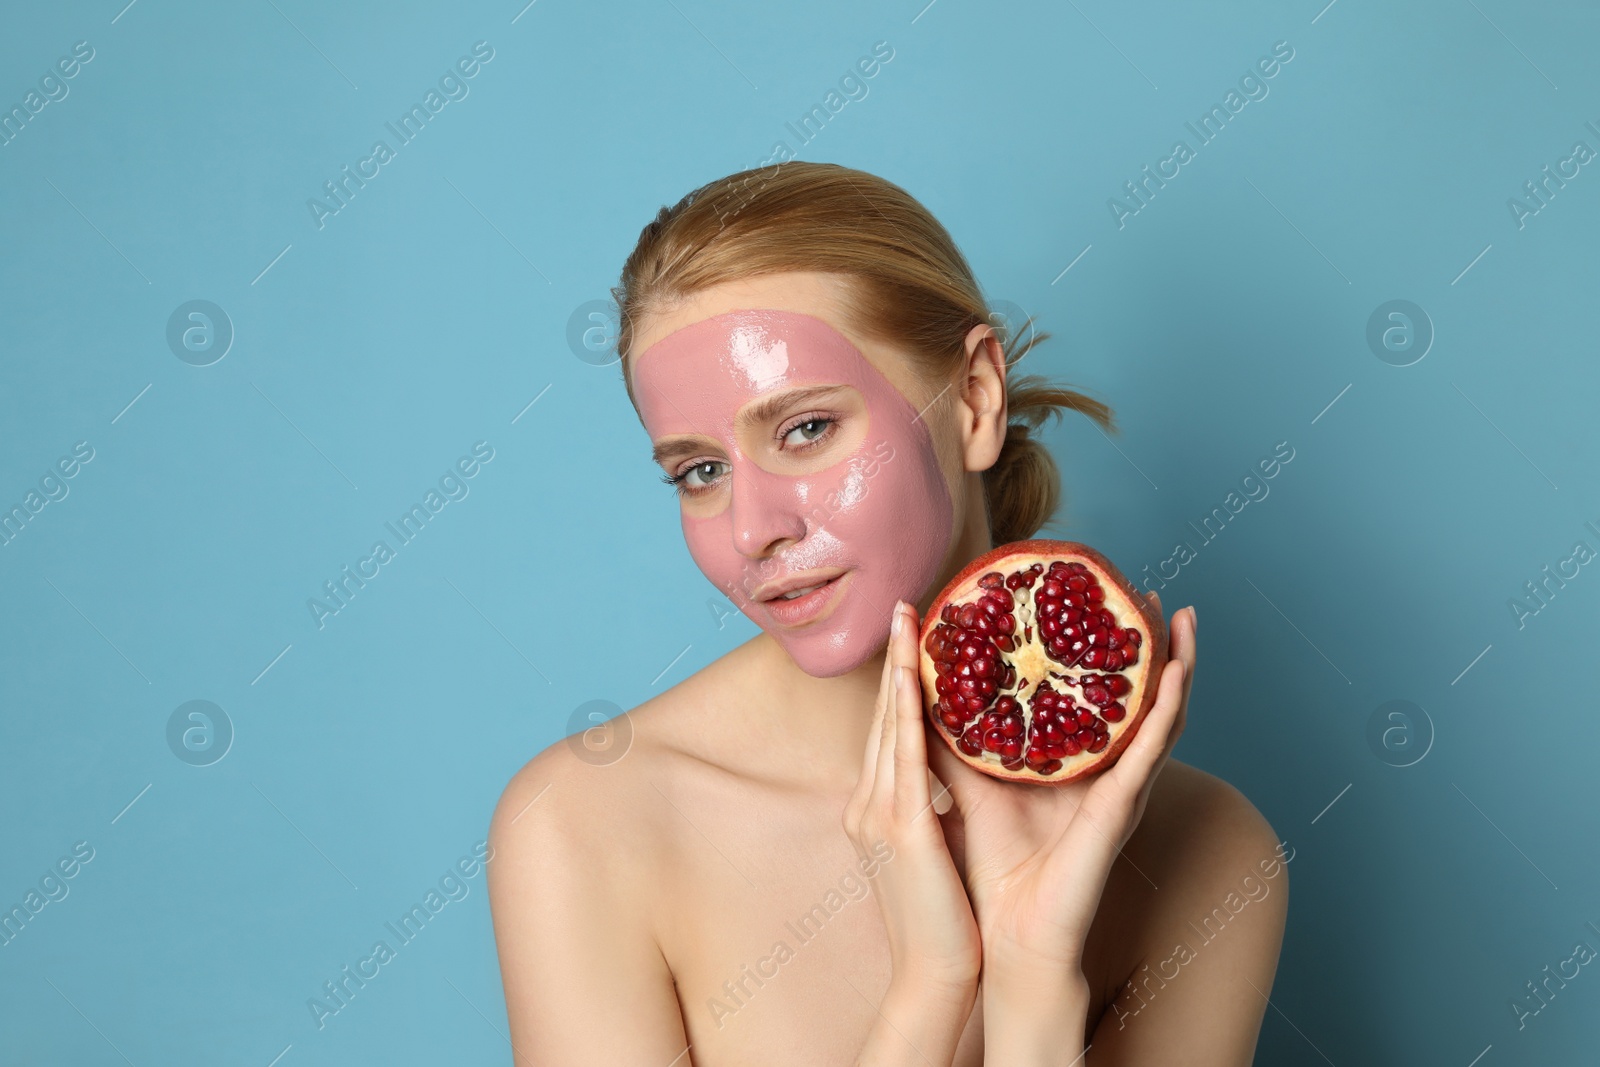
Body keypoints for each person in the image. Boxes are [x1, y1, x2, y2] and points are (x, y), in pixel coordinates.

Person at [487, 162, 1288, 1065]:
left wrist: (1029, 980)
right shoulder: (587, 826)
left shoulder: (1210, 855)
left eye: (805, 429)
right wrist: (933, 987)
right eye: (699, 472)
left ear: (976, 398)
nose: (753, 530)